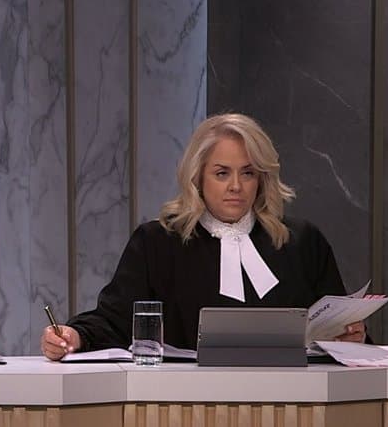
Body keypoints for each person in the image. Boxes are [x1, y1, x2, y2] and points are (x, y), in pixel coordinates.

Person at [42, 113, 363, 360]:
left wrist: (351, 336)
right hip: (182, 405)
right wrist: (74, 336)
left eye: (248, 173)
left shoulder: (301, 241)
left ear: (262, 179)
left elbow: (337, 325)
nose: (236, 186)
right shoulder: (157, 242)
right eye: (222, 173)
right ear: (197, 177)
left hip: (291, 403)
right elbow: (115, 320)